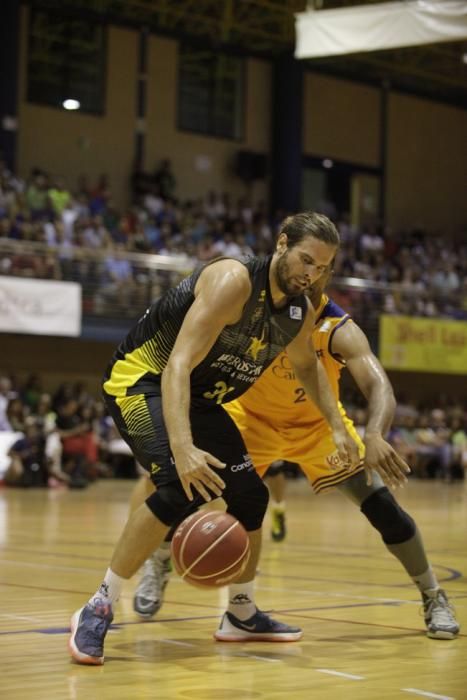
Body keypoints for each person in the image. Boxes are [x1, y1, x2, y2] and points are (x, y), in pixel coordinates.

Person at [68, 211, 361, 665]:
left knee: (251, 498)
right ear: (282, 244)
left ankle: (240, 614)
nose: (312, 273)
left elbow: (309, 369)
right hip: (143, 378)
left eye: (323, 267)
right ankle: (99, 605)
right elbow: (178, 363)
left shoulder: (301, 309)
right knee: (178, 486)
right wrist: (183, 448)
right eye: (306, 260)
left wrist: (340, 428)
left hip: (200, 399)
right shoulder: (234, 281)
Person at [136, 270, 459, 641]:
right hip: (249, 421)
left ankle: (433, 594)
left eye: (319, 270)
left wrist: (373, 433)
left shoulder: (338, 328)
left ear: (327, 276)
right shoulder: (253, 308)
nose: (307, 278)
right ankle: (159, 562)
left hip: (319, 428)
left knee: (382, 506)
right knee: (186, 489)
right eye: (303, 268)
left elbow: (378, 384)